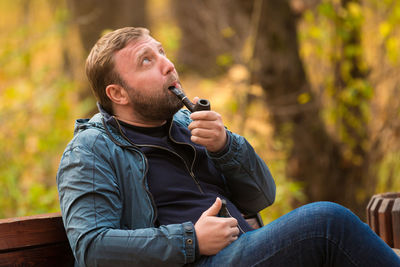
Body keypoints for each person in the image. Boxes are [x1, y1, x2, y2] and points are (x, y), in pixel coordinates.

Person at [56, 27, 400, 267]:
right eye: (146, 60)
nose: (167, 63)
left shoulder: (184, 124)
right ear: (118, 93)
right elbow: (92, 249)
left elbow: (262, 196)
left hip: (242, 251)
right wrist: (190, 240)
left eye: (162, 51)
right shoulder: (90, 150)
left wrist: (225, 146)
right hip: (196, 262)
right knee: (328, 223)